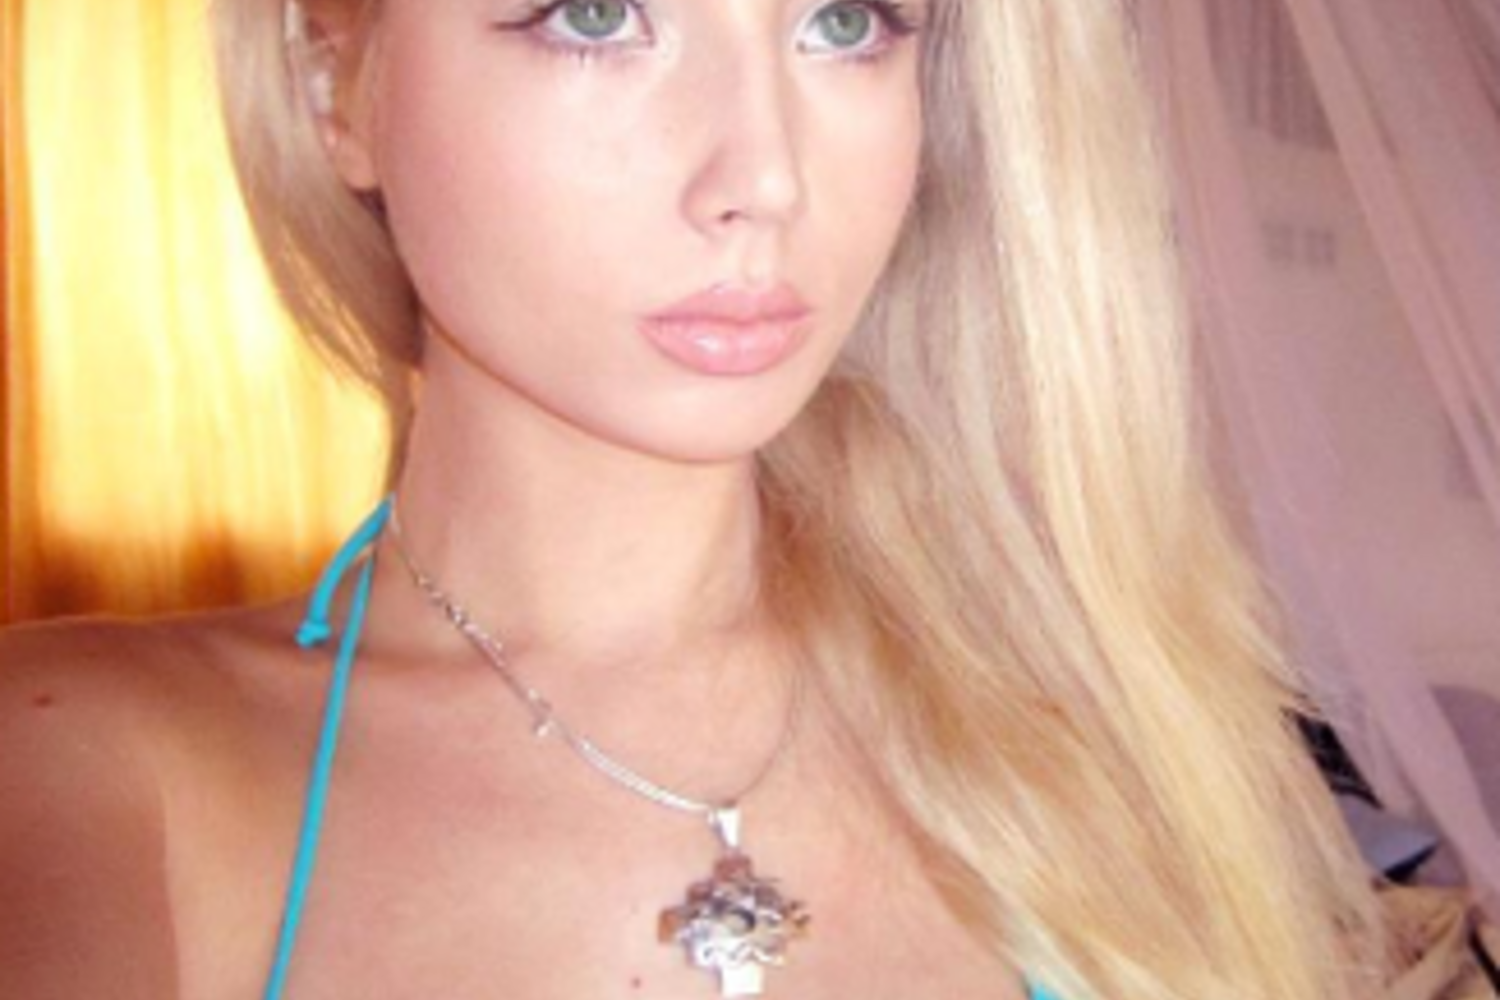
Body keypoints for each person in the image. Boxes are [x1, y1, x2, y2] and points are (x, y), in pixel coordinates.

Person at [0, 0, 1395, 997]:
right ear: (336, 86)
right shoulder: (85, 771)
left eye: (845, 23)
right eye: (598, 16)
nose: (765, 179)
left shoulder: (1107, 718)